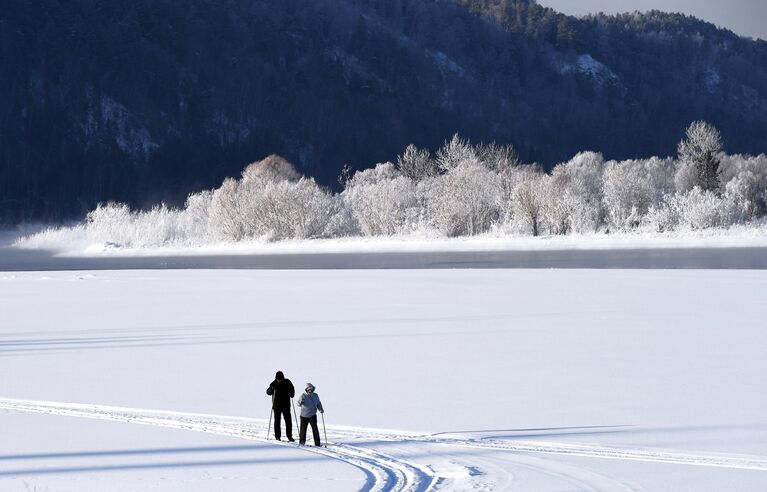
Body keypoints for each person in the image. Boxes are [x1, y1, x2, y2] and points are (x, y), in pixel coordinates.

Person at [266, 371, 295, 441]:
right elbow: (268, 392)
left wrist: (291, 392)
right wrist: (271, 389)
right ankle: (277, 436)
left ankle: (289, 436)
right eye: (278, 379)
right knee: (277, 421)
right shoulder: (273, 383)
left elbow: (292, 392)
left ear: (283, 378)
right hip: (276, 406)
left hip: (286, 405)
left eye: (280, 379)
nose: (279, 380)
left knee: (288, 421)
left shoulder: (287, 382)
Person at [298, 382, 324, 446]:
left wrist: (320, 409)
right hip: (304, 416)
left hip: (312, 415)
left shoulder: (315, 395)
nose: (310, 390)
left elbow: (318, 403)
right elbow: (298, 404)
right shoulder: (303, 395)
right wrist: (301, 402)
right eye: (308, 389)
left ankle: (317, 443)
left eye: (311, 389)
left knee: (315, 429)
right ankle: (302, 442)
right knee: (303, 430)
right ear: (306, 389)